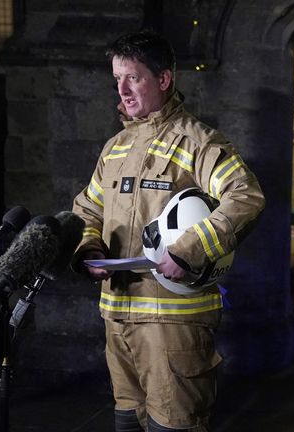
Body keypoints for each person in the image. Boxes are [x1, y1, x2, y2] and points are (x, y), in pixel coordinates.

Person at [71, 31, 265, 432]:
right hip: (118, 318)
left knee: (173, 425)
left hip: (174, 326)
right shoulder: (116, 148)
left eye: (133, 78)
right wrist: (89, 247)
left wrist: (190, 250)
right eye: (117, 79)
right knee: (127, 420)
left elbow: (245, 196)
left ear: (164, 79)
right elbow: (88, 207)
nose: (122, 89)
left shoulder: (199, 143)